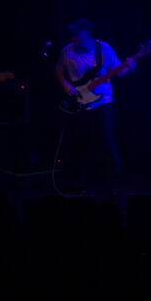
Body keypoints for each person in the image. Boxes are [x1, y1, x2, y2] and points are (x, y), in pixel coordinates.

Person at [55, 18, 134, 199]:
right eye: (73, 35)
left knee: (107, 142)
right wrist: (66, 85)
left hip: (102, 102)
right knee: (79, 146)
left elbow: (120, 72)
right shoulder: (66, 52)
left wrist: (130, 67)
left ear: (88, 35)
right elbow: (58, 70)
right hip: (79, 104)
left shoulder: (104, 49)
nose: (74, 38)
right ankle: (77, 186)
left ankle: (116, 185)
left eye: (77, 35)